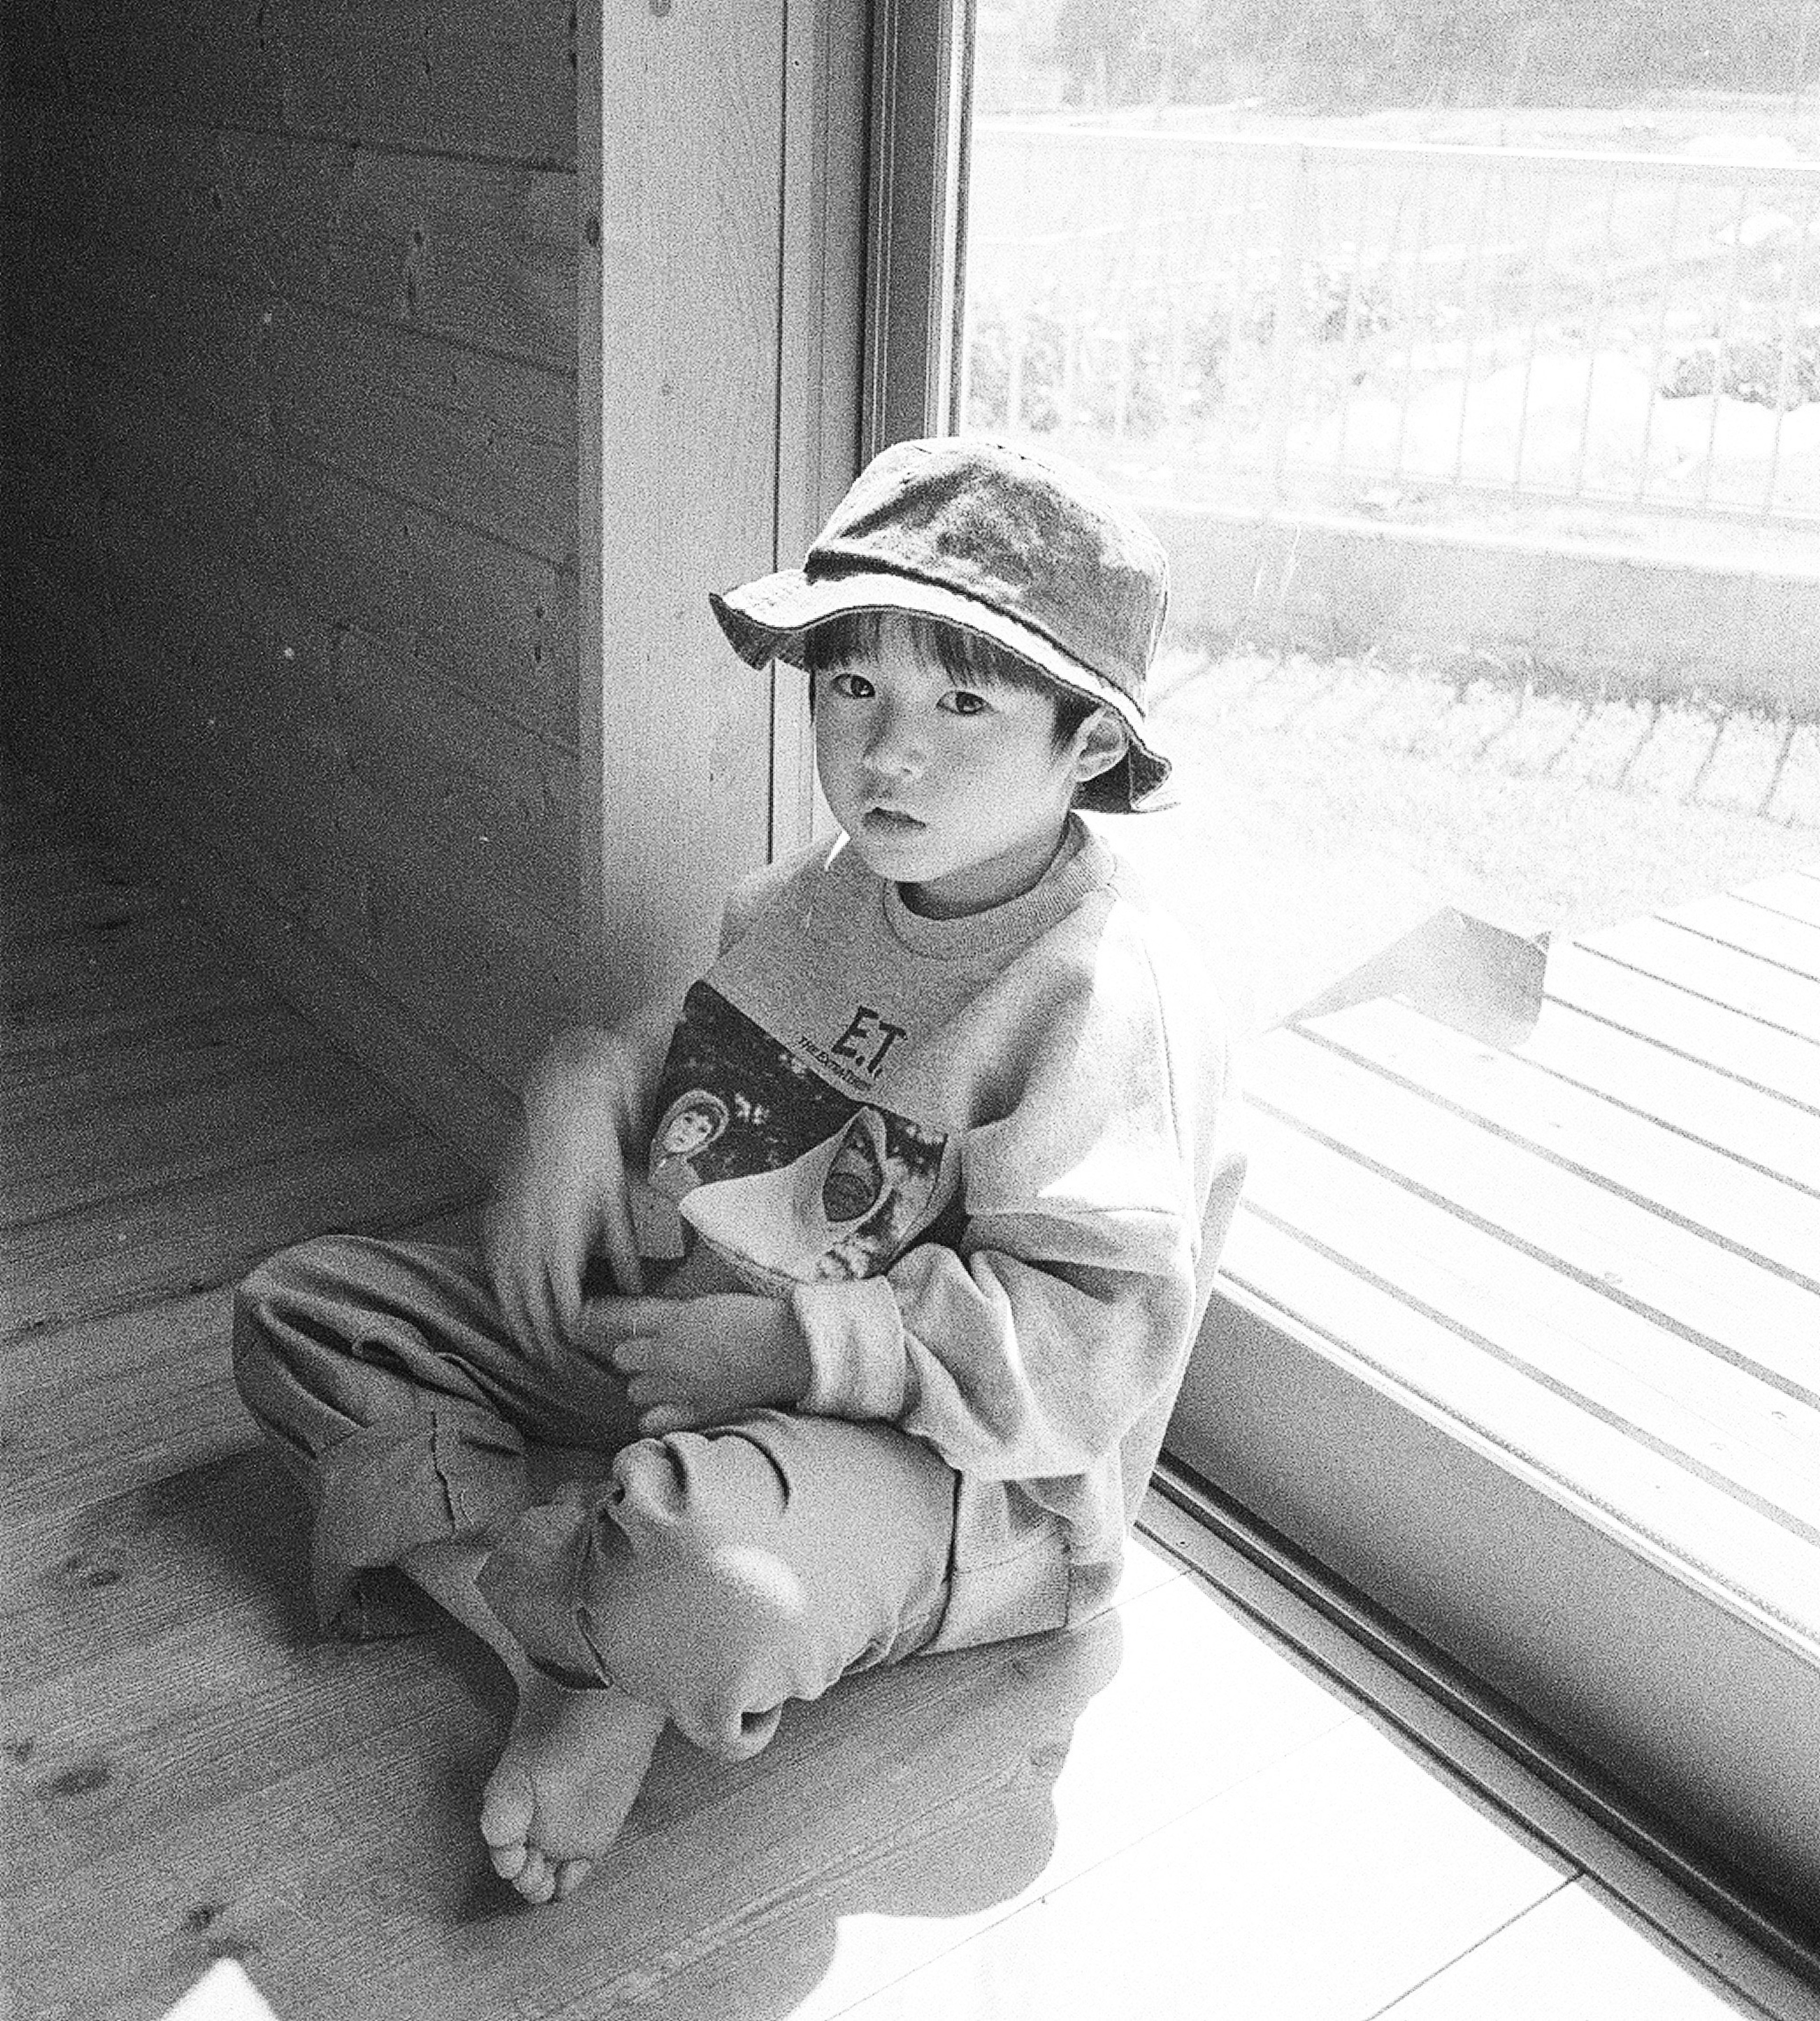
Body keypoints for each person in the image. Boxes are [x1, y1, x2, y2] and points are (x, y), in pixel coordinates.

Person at [232, 435, 1245, 1906]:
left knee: (709, 1570)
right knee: (299, 1311)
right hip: (696, 1341)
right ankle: (557, 1655)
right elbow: (707, 1050)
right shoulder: (836, 885)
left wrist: (790, 1346)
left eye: (964, 701)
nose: (889, 753)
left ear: (1089, 743)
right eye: (854, 688)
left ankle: (613, 1602)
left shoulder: (1105, 995)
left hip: (953, 1480)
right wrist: (582, 1079)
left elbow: (1079, 1359)